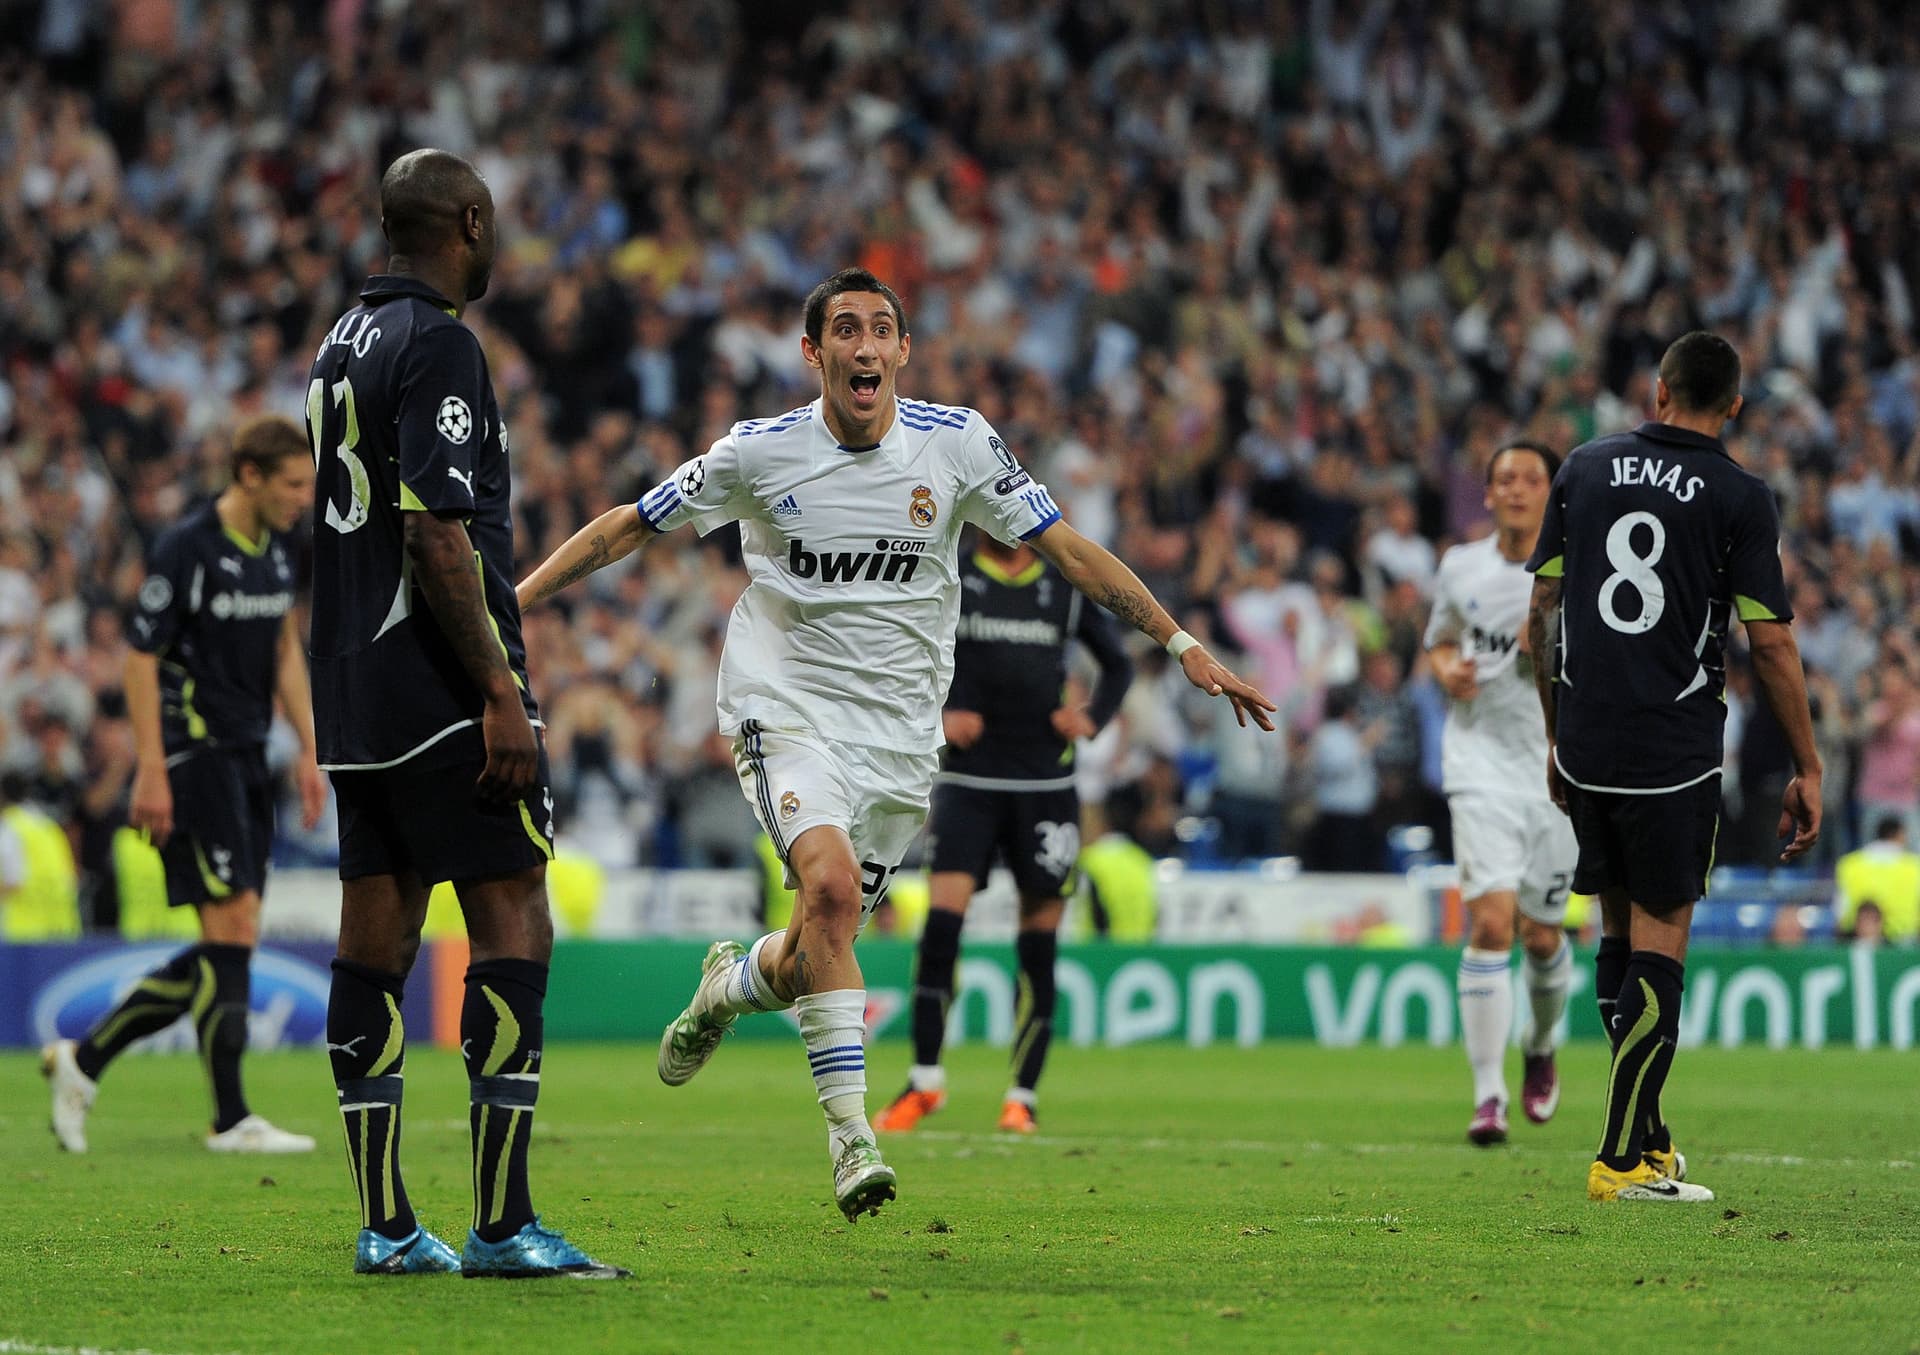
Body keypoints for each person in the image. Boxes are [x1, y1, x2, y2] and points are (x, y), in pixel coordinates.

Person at [516, 267, 1275, 1221]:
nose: (865, 346)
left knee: (813, 950)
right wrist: (512, 606)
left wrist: (1181, 642)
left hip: (900, 743)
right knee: (828, 889)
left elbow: (1069, 549)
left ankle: (724, 987)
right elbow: (629, 527)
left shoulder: (956, 446)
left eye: (882, 329)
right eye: (845, 330)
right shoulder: (758, 453)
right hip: (783, 703)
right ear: (814, 353)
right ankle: (851, 1139)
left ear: (902, 351)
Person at [305, 149, 625, 1279]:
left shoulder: (340, 344)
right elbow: (438, 530)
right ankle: (501, 1220)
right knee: (511, 916)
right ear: (470, 222)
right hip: (439, 683)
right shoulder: (441, 341)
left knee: (375, 936)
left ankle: (387, 1222)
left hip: (348, 685)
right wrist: (499, 690)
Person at [1525, 332, 1820, 1203]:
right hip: (1671, 749)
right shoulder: (1739, 494)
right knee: (1662, 940)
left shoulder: (1581, 467)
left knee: (1618, 936)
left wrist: (1554, 731)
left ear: (1658, 392)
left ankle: (1649, 1141)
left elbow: (1541, 607)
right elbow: (1769, 641)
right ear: (1734, 405)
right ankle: (1621, 1161)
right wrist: (1806, 762)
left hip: (1585, 738)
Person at [41, 415, 324, 1156]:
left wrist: (309, 745)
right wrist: (153, 768)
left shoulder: (276, 547)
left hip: (248, 757)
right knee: (230, 934)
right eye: (294, 484)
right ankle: (229, 1118)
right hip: (194, 756)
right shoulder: (187, 548)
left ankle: (86, 1059)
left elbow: (284, 648)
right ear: (250, 475)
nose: (305, 497)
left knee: (230, 938)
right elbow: (140, 659)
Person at [873, 528, 1134, 1136]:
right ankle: (925, 1083)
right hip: (969, 782)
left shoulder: (1062, 587)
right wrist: (937, 715)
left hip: (1045, 784)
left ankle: (1022, 1097)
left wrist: (1092, 716)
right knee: (941, 932)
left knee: (1036, 950)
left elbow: (1118, 663)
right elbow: (898, 655)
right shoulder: (950, 574)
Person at [1425, 442, 1576, 1147]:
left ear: (1552, 491)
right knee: (1489, 923)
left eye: (1531, 478)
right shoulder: (1461, 567)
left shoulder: (1583, 568)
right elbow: (1438, 641)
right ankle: (1488, 1095)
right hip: (1478, 759)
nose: (1517, 489)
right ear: (1486, 494)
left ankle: (1540, 1045)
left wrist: (1549, 639)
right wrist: (1445, 668)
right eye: (1504, 479)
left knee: (1543, 935)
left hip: (1556, 767)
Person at [1833, 816, 1920, 944]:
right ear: (1899, 834)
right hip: (1905, 941)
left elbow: (1840, 908)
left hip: (1856, 937)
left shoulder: (1849, 864)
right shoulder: (1914, 866)